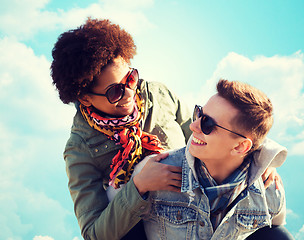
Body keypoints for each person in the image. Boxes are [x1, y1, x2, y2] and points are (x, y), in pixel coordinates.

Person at [52, 18, 282, 240]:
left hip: (196, 211)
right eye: (115, 92)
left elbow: (208, 136)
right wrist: (139, 186)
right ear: (85, 98)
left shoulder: (159, 95)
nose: (130, 93)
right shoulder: (79, 149)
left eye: (131, 78)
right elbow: (94, 233)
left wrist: (257, 161)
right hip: (145, 229)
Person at [108, 79, 294, 239]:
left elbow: (274, 230)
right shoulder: (154, 172)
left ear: (240, 147)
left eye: (208, 124)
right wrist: (138, 187)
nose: (194, 126)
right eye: (199, 114)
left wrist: (264, 162)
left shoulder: (269, 190)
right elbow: (111, 224)